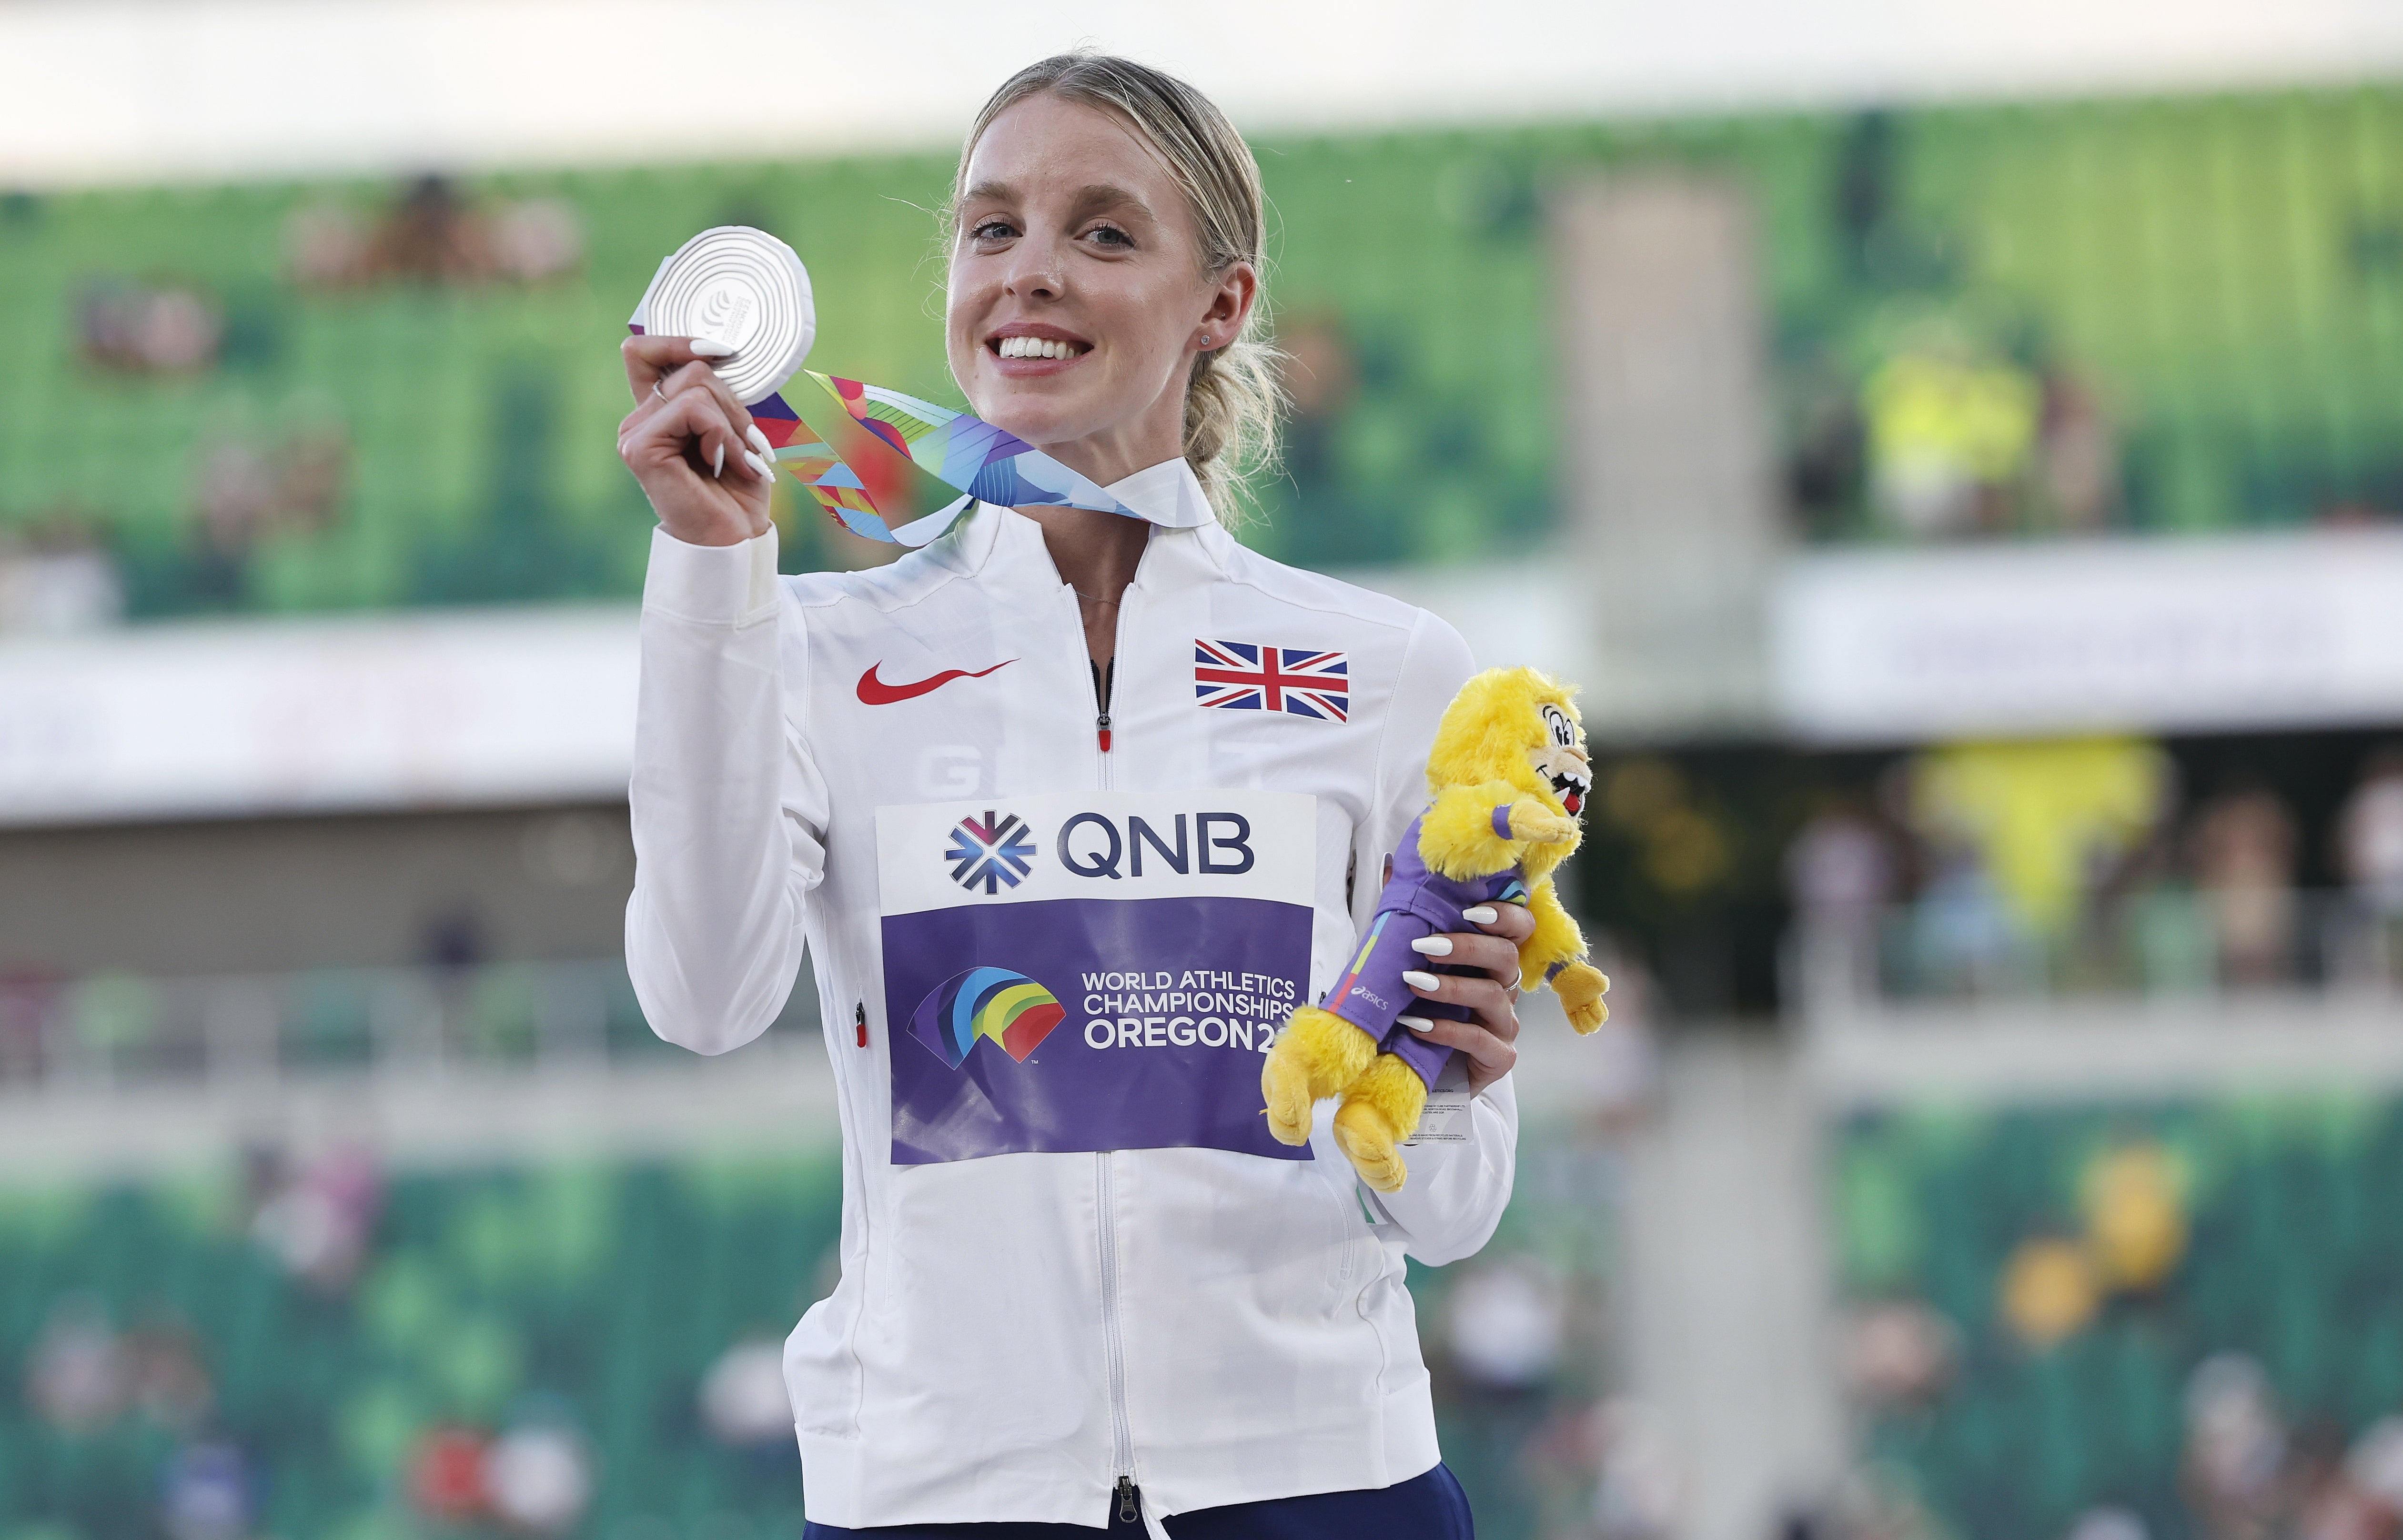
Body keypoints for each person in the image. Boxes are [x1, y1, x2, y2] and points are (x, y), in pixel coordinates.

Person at [614, 54, 1527, 1539]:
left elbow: (1450, 1210)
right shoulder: (815, 652)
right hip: (933, 1495)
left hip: (1319, 1480)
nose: (1030, 274)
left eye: (1103, 233)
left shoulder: (1386, 671)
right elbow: (703, 999)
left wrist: (1447, 1093)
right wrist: (715, 578)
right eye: (992, 230)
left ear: (1218, 306)